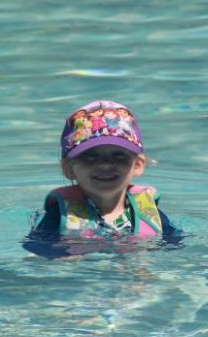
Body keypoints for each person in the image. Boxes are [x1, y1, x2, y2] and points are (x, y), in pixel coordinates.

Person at [24, 100, 181, 259]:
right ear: (69, 169)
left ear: (138, 165)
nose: (105, 165)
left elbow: (173, 246)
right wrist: (63, 255)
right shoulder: (59, 216)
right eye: (91, 157)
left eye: (119, 156)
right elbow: (38, 247)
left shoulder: (148, 213)